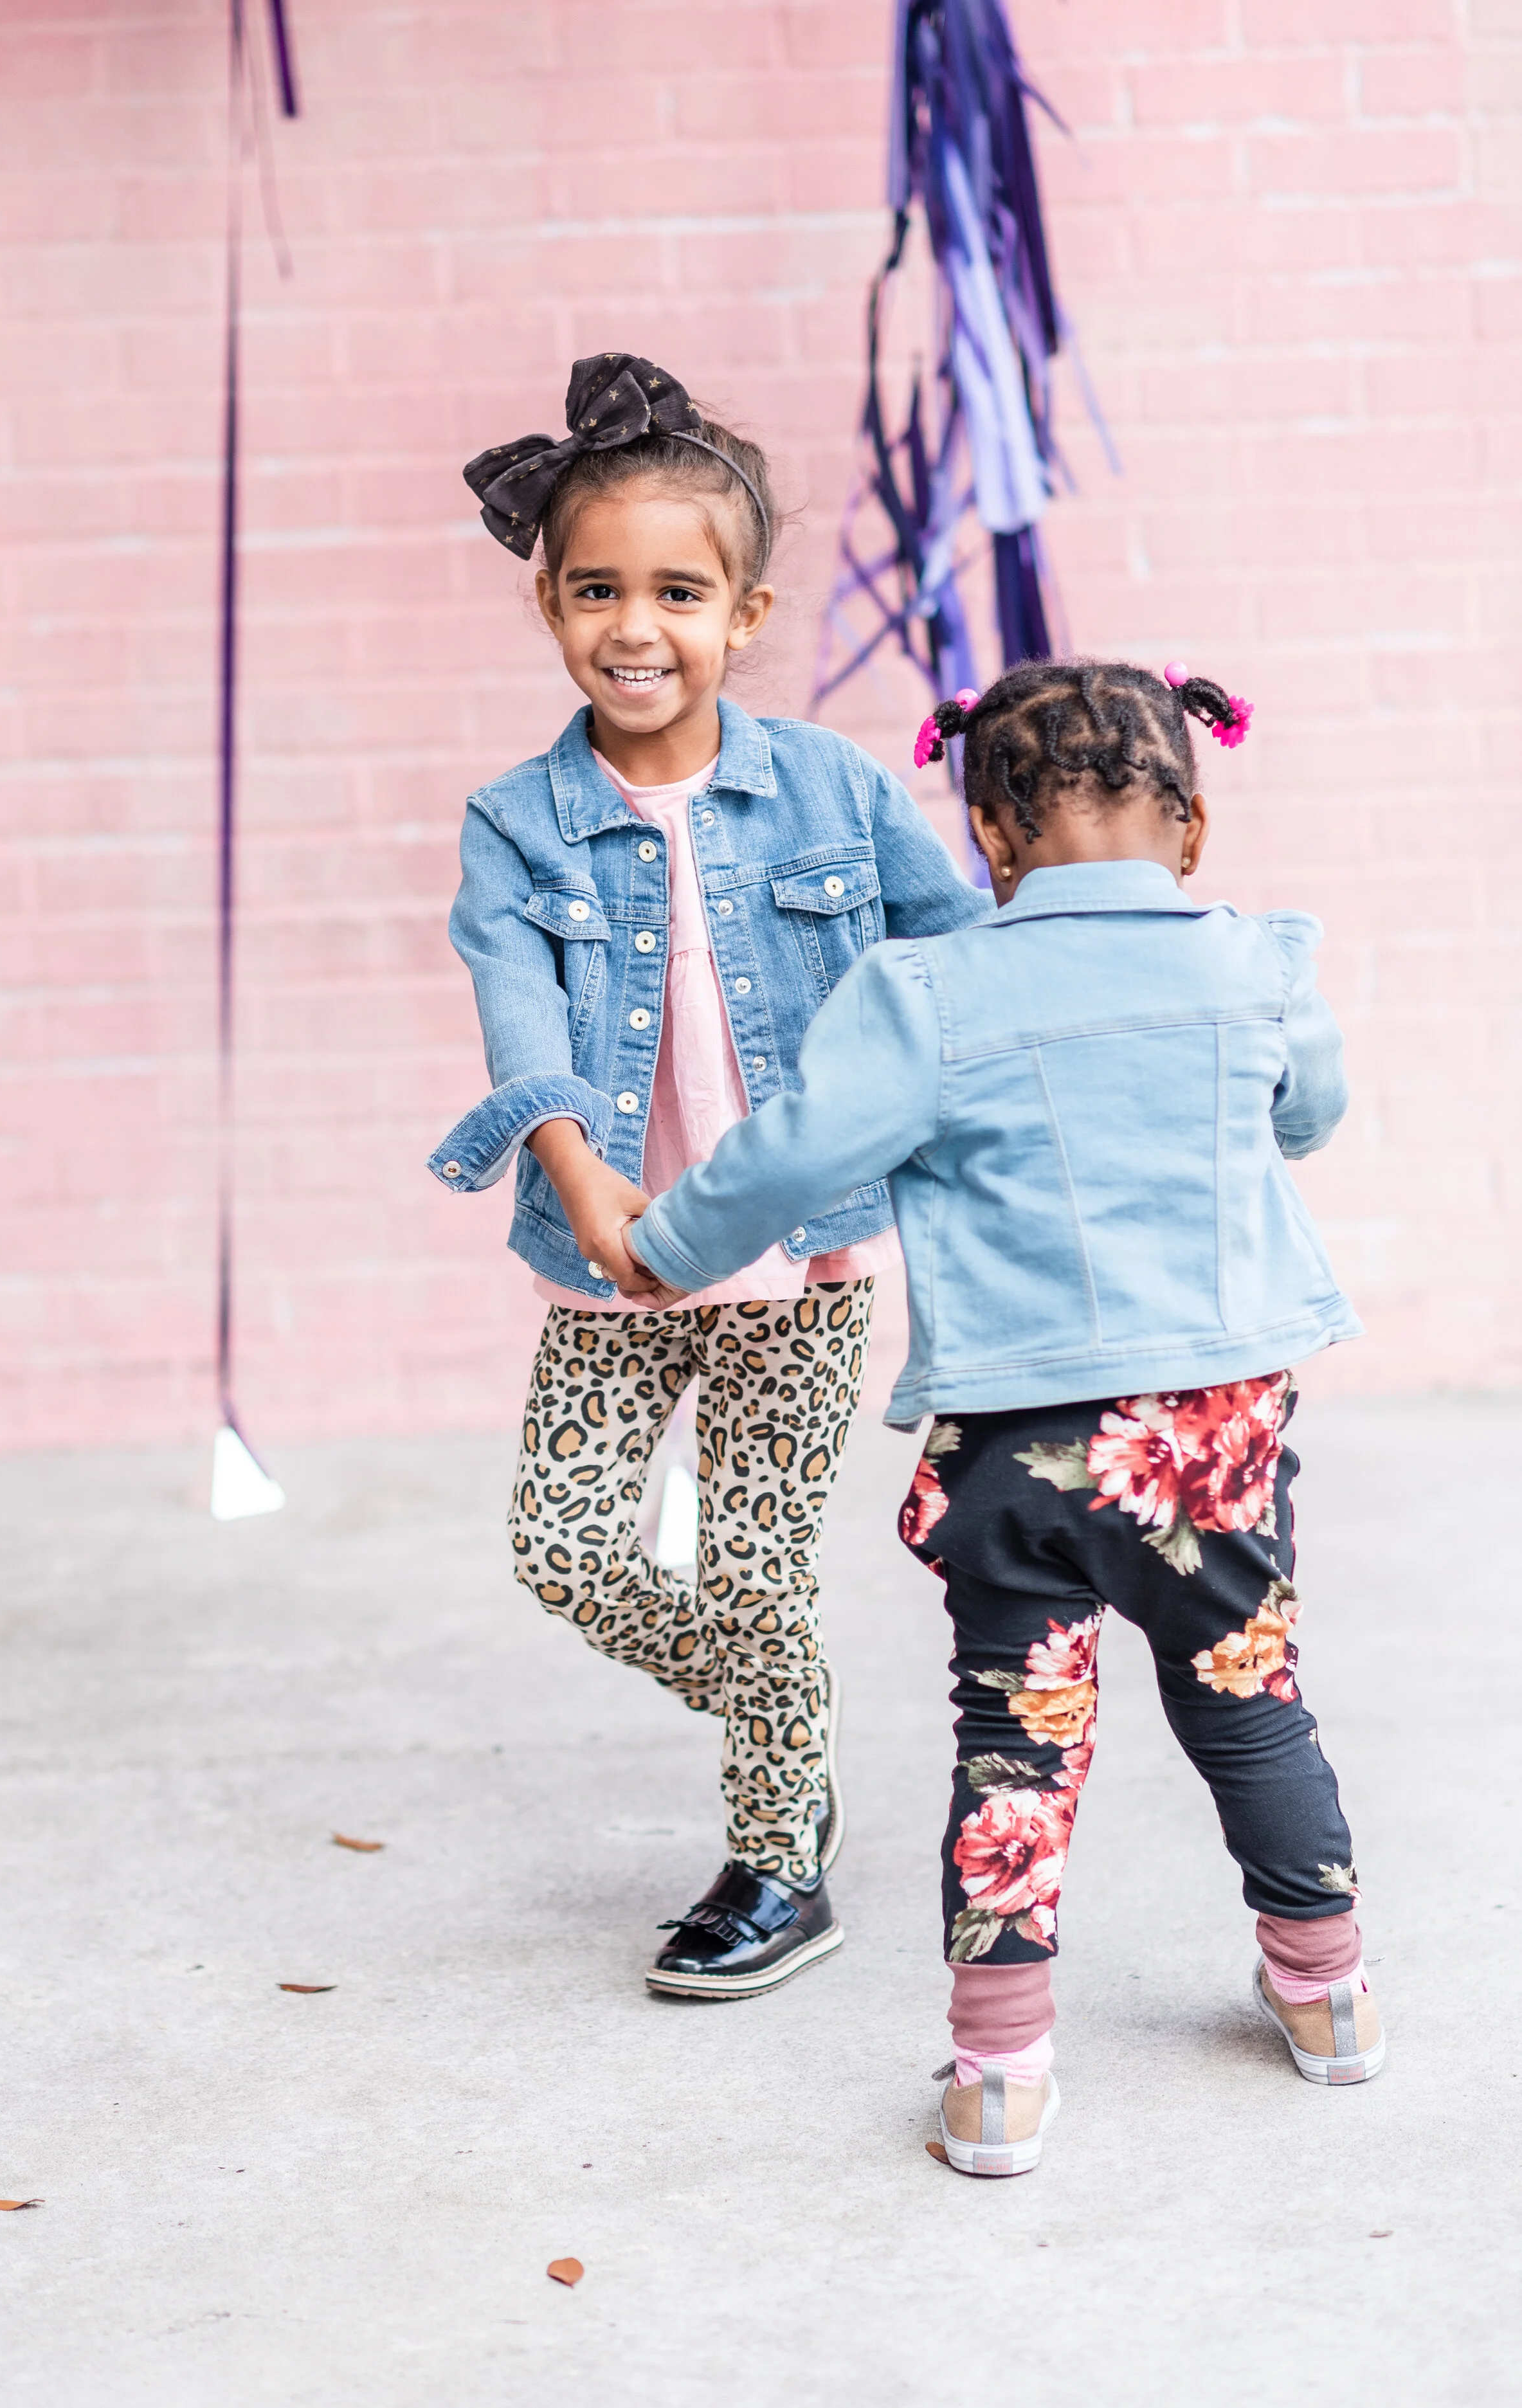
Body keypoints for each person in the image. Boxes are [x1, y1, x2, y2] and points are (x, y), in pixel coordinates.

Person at [623, 657, 1384, 2171]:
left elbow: (795, 1153)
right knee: (1246, 1700)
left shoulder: (926, 991)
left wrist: (667, 1248)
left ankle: (998, 2071)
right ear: (1191, 825)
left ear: (987, 834)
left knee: (1012, 1739)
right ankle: (1326, 1997)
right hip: (1207, 1441)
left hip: (1015, 1444)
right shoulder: (1254, 962)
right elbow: (1304, 1117)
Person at [430, 353, 993, 1998]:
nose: (634, 625)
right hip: (605, 1248)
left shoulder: (831, 787)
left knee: (754, 1563)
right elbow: (513, 999)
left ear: (743, 615)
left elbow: (951, 960)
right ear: (546, 600)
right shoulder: (516, 821)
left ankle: (774, 1856)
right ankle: (788, 1729)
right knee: (568, 1548)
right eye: (596, 587)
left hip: (798, 1258)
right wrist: (580, 1179)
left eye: (678, 591)